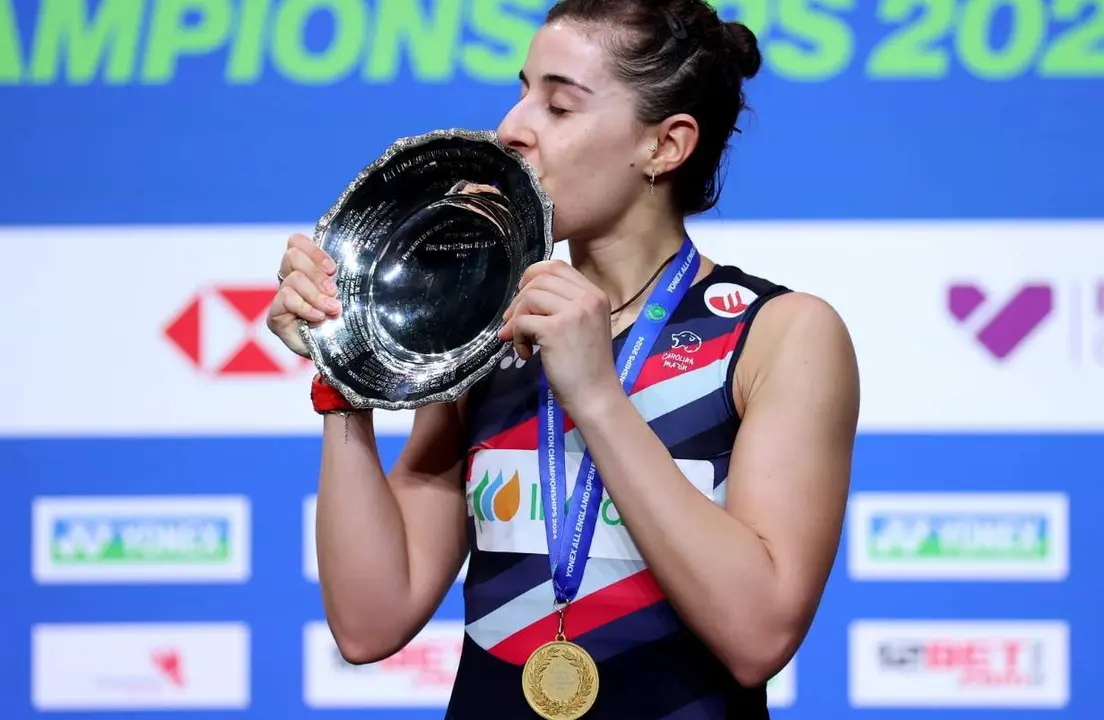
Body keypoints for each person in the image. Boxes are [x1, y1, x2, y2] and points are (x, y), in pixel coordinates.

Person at [267, 0, 860, 717]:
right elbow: (368, 624)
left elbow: (759, 634)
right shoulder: (491, 330)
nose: (512, 127)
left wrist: (598, 397)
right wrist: (346, 372)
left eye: (558, 105)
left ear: (665, 146)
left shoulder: (778, 335)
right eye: (521, 93)